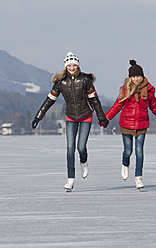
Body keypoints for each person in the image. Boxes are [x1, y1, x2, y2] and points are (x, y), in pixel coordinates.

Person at [31, 52, 109, 192]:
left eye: (74, 65)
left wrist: (102, 117)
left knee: (81, 147)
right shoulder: (60, 82)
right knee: (70, 148)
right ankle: (70, 179)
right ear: (66, 66)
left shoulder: (85, 80)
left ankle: (84, 162)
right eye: (69, 66)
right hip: (71, 117)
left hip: (86, 116)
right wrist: (38, 117)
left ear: (77, 65)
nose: (72, 68)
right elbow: (49, 101)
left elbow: (95, 100)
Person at [105, 59, 156, 191]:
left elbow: (154, 107)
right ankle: (125, 164)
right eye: (134, 77)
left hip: (141, 125)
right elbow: (117, 105)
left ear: (142, 76)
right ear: (130, 78)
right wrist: (106, 118)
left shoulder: (149, 90)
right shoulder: (125, 89)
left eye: (138, 76)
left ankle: (138, 177)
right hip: (126, 124)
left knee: (139, 152)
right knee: (128, 151)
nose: (136, 79)